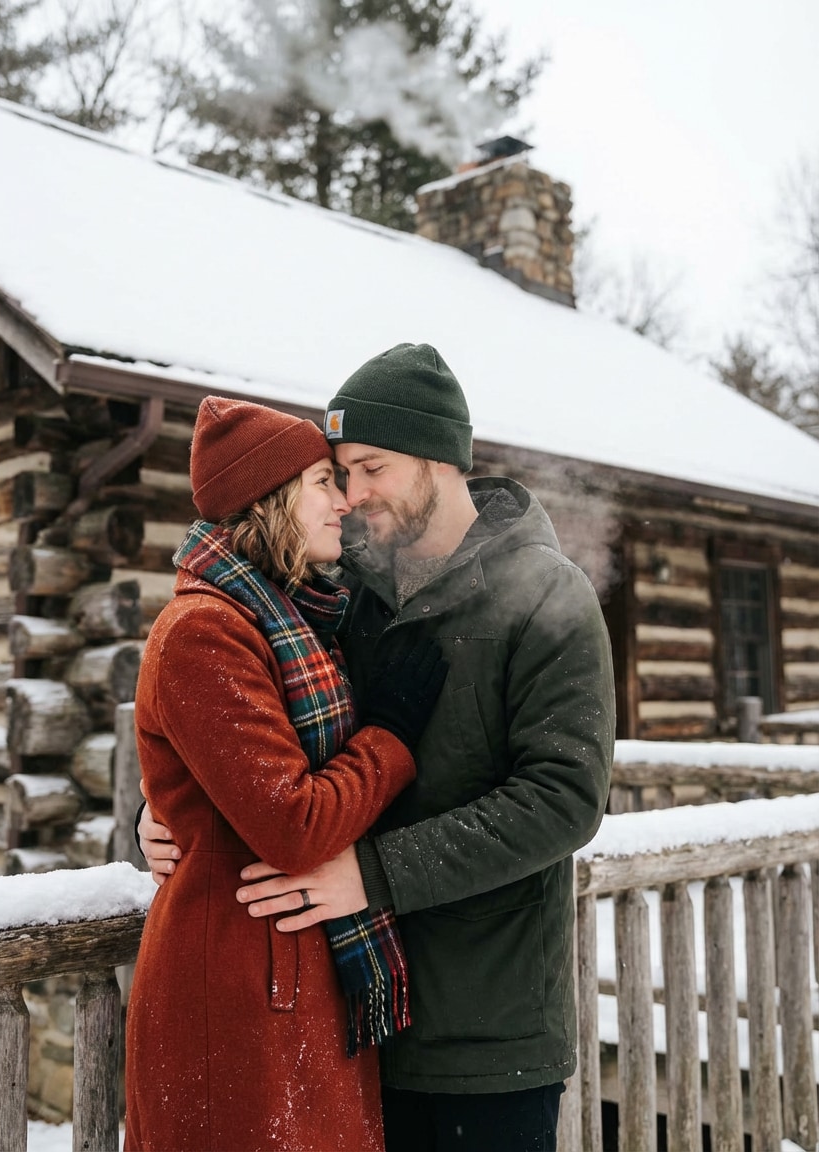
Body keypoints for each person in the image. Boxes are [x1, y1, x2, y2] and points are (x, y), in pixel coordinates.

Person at [139, 345, 616, 1152]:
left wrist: (373, 874)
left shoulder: (546, 594)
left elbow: (564, 799)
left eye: (371, 468)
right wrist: (167, 812)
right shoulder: (342, 591)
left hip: (482, 1034)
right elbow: (241, 725)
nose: (353, 495)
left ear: (436, 458)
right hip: (350, 1024)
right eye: (339, 474)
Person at [124, 395, 448, 1152]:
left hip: (300, 978)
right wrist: (392, 737)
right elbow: (293, 823)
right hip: (232, 998)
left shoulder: (297, 618)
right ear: (266, 500)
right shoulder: (205, 631)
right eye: (319, 483)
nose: (342, 501)